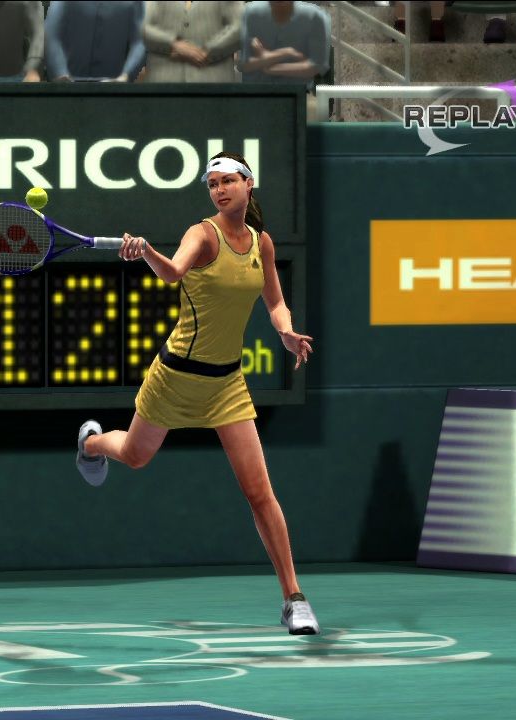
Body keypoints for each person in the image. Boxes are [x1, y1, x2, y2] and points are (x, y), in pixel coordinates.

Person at [75, 152, 319, 636]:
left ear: (249, 184)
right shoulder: (202, 234)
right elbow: (172, 273)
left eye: (228, 181)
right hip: (176, 376)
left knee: (259, 493)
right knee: (135, 455)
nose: (220, 190)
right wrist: (147, 250)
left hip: (227, 384)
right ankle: (91, 443)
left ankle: (294, 599)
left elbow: (274, 299)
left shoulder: (262, 243)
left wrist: (286, 332)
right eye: (212, 184)